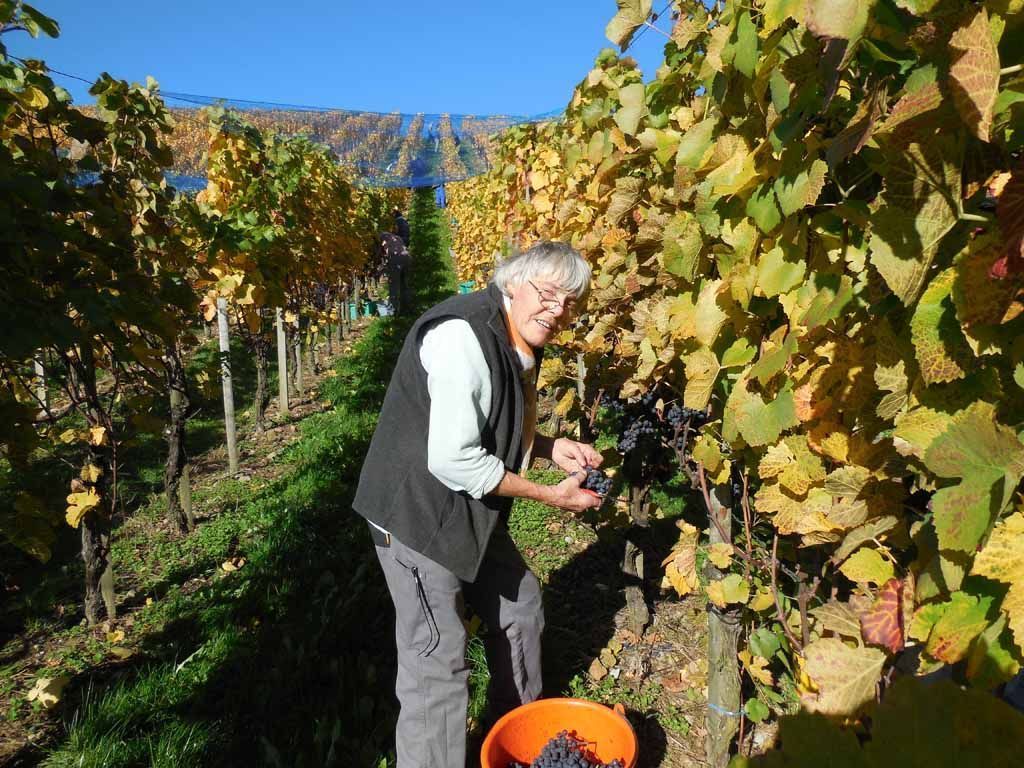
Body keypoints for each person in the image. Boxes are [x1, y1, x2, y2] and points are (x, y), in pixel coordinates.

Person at [353, 241, 603, 768]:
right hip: (418, 514)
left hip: (468, 507)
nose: (558, 311)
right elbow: (455, 461)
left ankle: (515, 740)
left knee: (521, 608)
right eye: (549, 294)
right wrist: (547, 495)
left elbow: (493, 421)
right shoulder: (461, 338)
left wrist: (548, 446)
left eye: (570, 302)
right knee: (437, 659)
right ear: (513, 284)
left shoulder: (518, 339)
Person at [379, 230, 411, 316]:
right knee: (404, 283)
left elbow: (385, 253)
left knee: (394, 285)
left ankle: (394, 311)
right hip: (407, 259)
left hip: (396, 260)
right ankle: (407, 307)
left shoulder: (384, 239)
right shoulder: (397, 237)